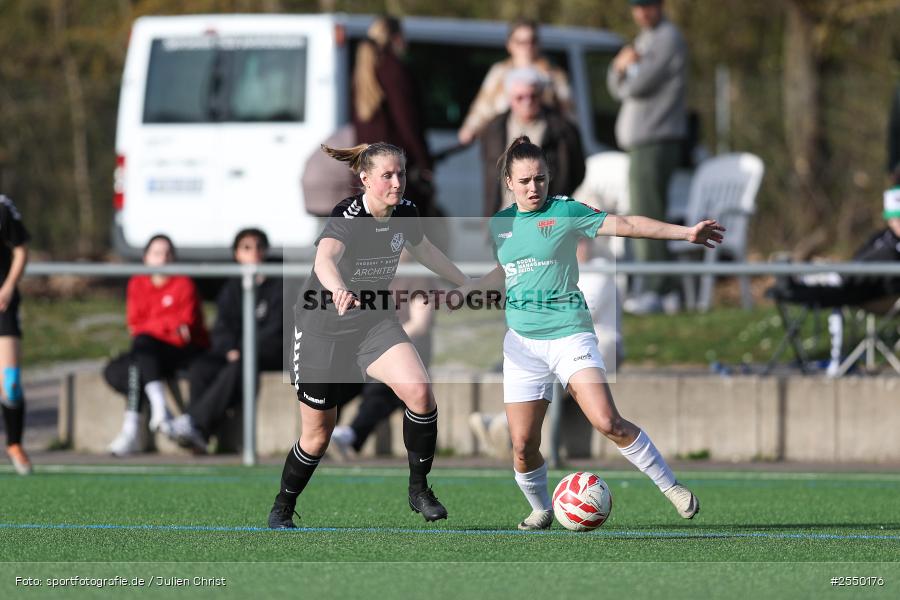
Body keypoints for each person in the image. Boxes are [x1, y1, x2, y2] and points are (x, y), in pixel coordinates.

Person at [461, 136, 723, 529]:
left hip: (569, 335)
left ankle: (671, 487)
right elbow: (510, 269)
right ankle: (540, 508)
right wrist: (473, 288)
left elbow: (628, 224)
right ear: (509, 183)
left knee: (607, 421)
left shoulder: (565, 211)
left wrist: (685, 233)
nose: (535, 188)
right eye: (526, 181)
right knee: (521, 447)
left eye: (541, 179)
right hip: (521, 345)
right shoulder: (500, 224)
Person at [267, 142, 471, 529]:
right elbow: (324, 259)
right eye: (387, 176)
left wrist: (466, 280)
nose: (397, 183)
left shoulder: (405, 212)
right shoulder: (349, 214)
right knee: (317, 437)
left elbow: (425, 250)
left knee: (420, 393)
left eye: (402, 174)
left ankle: (419, 489)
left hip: (372, 321)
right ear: (364, 180)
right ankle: (283, 505)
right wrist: (338, 288)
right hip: (322, 329)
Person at [163, 228, 283, 451]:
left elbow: (275, 330)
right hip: (236, 352)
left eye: (258, 247)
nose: (254, 253)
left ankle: (194, 422)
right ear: (237, 254)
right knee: (201, 368)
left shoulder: (279, 285)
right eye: (246, 248)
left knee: (240, 366)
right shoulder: (232, 287)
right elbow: (223, 327)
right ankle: (199, 434)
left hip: (267, 352)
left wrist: (243, 349)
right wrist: (229, 348)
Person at [607, 0, 688, 314]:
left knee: (646, 217)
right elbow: (619, 88)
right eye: (637, 6)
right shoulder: (646, 39)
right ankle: (663, 289)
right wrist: (619, 69)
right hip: (642, 144)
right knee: (644, 212)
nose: (642, 12)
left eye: (648, 5)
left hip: (656, 142)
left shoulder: (667, 37)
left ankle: (658, 289)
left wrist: (620, 67)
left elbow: (635, 86)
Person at [105, 235, 209, 456]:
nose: (163, 258)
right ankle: (161, 413)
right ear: (146, 258)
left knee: (141, 351)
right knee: (121, 366)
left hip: (181, 352)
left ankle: (133, 429)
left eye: (168, 253)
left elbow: (184, 329)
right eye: (157, 253)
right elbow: (134, 324)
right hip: (150, 352)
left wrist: (152, 326)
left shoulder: (183, 283)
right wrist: (164, 325)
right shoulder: (137, 283)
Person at [331, 252, 436, 459]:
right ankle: (323, 436)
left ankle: (349, 436)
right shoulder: (369, 275)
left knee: (380, 389)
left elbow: (420, 324)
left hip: (404, 350)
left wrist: (385, 343)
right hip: (367, 351)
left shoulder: (419, 277)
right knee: (336, 382)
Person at [353, 16, 434, 215]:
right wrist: (424, 162)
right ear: (396, 38)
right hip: (397, 172)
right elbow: (407, 123)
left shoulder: (364, 72)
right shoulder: (394, 70)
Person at [480, 67, 585, 217]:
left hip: (549, 219)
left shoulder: (563, 130)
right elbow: (490, 176)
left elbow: (577, 173)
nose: (527, 102)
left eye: (533, 96)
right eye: (520, 97)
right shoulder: (494, 129)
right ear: (510, 99)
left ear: (541, 96)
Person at [458, 18, 573, 145]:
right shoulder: (499, 73)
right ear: (510, 44)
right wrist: (470, 128)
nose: (527, 47)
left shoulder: (554, 76)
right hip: (505, 144)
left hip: (544, 146)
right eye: (521, 42)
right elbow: (483, 107)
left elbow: (569, 116)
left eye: (532, 41)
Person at [0, 195, 31, 475]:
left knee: (10, 383)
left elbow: (20, 251)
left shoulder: (3, 206)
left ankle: (14, 443)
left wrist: (8, 286)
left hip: (2, 304)